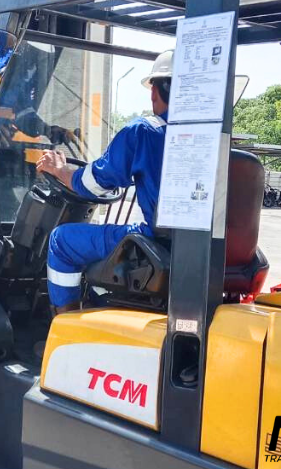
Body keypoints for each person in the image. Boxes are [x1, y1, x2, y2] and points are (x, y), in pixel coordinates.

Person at [36, 50, 174, 313]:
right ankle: (98, 303)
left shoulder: (144, 132)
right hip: (193, 248)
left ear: (155, 92)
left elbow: (92, 185)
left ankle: (64, 323)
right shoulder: (215, 139)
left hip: (156, 242)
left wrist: (60, 171)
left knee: (62, 241)